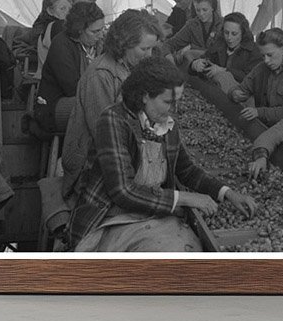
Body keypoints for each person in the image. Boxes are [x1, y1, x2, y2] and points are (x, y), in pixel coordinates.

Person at [69, 58, 256, 252]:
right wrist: (183, 198)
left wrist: (228, 193)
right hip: (112, 216)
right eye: (168, 102)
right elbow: (122, 191)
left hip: (152, 213)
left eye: (177, 102)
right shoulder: (114, 120)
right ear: (144, 96)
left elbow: (187, 170)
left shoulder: (165, 125)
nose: (173, 110)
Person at [60, 8, 163, 189]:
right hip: (91, 168)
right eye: (144, 49)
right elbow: (105, 137)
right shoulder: (101, 76)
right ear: (123, 44)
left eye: (152, 49)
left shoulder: (130, 67)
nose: (149, 55)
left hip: (122, 154)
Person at [33, 1, 106, 136]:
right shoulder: (61, 45)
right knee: (101, 110)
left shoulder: (99, 44)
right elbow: (73, 88)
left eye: (103, 29)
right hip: (54, 107)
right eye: (95, 31)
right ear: (79, 30)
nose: (101, 35)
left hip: (89, 100)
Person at [229, 27, 283, 135]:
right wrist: (234, 94)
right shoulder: (261, 69)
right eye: (263, 56)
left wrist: (259, 112)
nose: (266, 61)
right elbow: (242, 88)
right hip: (262, 126)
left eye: (270, 55)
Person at [189, 11, 261, 95]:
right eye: (226, 33)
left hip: (241, 94)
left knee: (222, 76)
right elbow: (205, 58)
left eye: (234, 34)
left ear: (243, 33)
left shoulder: (254, 51)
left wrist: (224, 70)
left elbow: (252, 79)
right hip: (218, 92)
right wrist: (195, 64)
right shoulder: (220, 44)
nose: (229, 38)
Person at [166, 0, 221, 65]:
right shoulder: (192, 25)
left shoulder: (224, 24)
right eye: (198, 10)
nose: (201, 14)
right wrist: (168, 56)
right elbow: (170, 43)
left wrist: (194, 48)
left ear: (212, 8)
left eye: (205, 10)